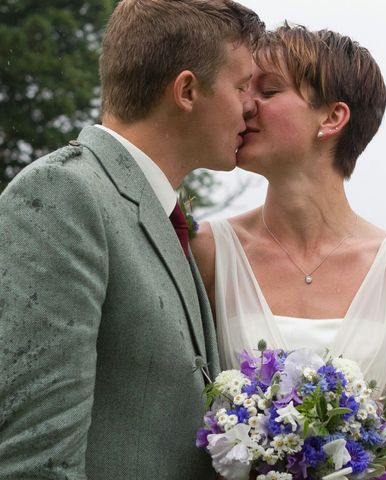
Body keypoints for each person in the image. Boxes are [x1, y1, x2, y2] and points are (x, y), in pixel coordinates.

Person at [191, 24, 386, 479]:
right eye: (245, 88)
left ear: (332, 119)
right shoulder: (206, 251)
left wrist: (345, 443)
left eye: (268, 90)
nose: (246, 104)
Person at [0, 1, 263, 478]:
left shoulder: (159, 214)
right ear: (186, 90)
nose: (252, 105)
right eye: (243, 85)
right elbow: (35, 462)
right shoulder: (65, 194)